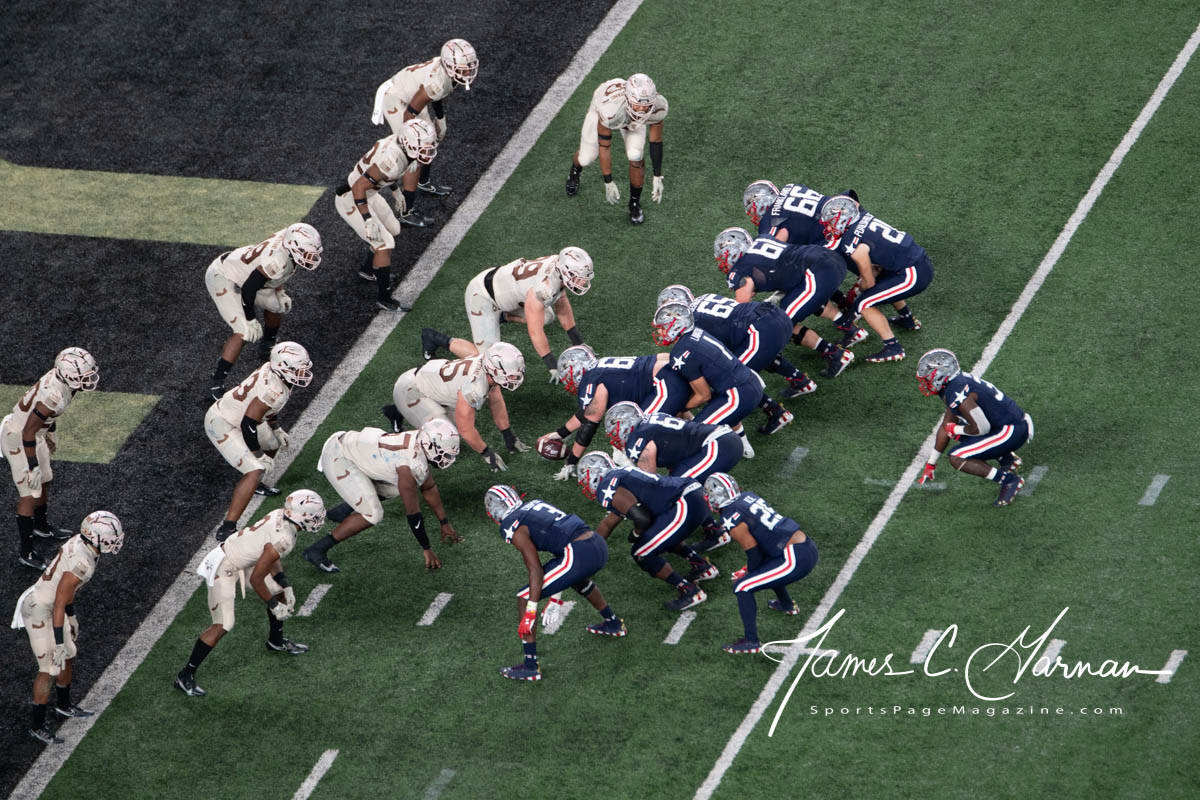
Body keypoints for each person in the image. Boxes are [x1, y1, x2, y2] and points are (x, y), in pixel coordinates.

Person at [175, 491, 326, 698]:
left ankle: (275, 641)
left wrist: (284, 583)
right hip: (225, 565)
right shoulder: (285, 537)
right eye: (315, 515)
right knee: (224, 624)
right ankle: (185, 675)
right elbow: (257, 578)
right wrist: (274, 605)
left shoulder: (281, 515)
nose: (318, 518)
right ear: (301, 516)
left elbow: (270, 553)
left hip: (244, 556)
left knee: (279, 591)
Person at [485, 485, 625, 682]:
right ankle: (613, 623)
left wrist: (531, 609)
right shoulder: (534, 504)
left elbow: (535, 569)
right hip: (596, 543)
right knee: (577, 580)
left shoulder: (513, 525)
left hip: (579, 553)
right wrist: (555, 598)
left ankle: (530, 666)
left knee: (524, 596)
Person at [12, 511, 123, 743]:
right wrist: (59, 641)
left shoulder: (84, 545)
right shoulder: (82, 562)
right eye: (110, 536)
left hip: (52, 604)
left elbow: (65, 595)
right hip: (40, 609)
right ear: (94, 536)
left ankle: (63, 706)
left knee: (69, 654)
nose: (114, 540)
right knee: (49, 668)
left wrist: (71, 618)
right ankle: (37, 725)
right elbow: (60, 601)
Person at [303, 420, 461, 574]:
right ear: (430, 446)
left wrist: (444, 522)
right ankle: (317, 549)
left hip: (357, 452)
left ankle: (342, 510)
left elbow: (429, 487)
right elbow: (413, 514)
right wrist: (427, 549)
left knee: (395, 488)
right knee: (374, 514)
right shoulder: (409, 464)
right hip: (338, 456)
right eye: (446, 452)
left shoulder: (418, 446)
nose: (448, 457)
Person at [419, 247, 594, 381]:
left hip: (503, 287)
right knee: (487, 361)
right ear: (565, 271)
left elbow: (562, 305)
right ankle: (434, 338)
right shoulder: (544, 287)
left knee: (547, 316)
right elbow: (535, 331)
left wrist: (579, 343)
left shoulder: (557, 266)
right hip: (483, 297)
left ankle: (503, 316)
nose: (582, 282)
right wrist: (551, 364)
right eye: (578, 277)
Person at [577, 452, 717, 611]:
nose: (585, 483)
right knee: (653, 535)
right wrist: (590, 551)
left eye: (585, 477)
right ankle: (702, 567)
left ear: (594, 473)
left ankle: (690, 591)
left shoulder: (607, 485)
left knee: (641, 552)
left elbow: (642, 519)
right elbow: (608, 524)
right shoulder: (619, 477)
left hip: (685, 503)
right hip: (692, 497)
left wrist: (636, 533)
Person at [2, 347, 99, 570]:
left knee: (46, 480)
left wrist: (50, 433)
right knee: (29, 494)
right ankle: (26, 552)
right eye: (83, 376)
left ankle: (41, 527)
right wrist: (32, 466)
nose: (88, 379)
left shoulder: (62, 382)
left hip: (34, 434)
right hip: (19, 438)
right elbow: (28, 431)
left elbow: (45, 418)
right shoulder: (53, 396)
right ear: (69, 376)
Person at [203, 223, 322, 403]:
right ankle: (215, 382)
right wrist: (250, 319)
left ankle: (268, 345)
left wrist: (279, 291)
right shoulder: (277, 260)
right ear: (293, 245)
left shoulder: (287, 240)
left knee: (278, 305)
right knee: (244, 331)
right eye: (306, 252)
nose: (311, 256)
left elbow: (275, 275)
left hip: (247, 273)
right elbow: (249, 289)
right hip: (224, 276)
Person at [205, 342, 312, 541]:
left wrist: (276, 427)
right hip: (223, 422)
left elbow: (267, 408)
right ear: (283, 368)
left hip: (242, 415)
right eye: (297, 368)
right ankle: (227, 527)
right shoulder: (274, 388)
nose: (303, 372)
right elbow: (248, 424)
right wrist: (258, 455)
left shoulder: (274, 373)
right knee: (254, 469)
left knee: (273, 443)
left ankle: (256, 483)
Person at [714, 228, 855, 379]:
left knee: (780, 323)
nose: (722, 260)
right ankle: (849, 332)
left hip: (817, 271)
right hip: (827, 258)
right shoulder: (762, 239)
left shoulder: (739, 270)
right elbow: (782, 268)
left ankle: (836, 355)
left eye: (723, 255)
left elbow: (741, 308)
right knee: (790, 306)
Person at [703, 473, 819, 654]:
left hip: (794, 558)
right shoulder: (748, 497)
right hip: (804, 546)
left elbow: (755, 554)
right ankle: (787, 604)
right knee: (767, 567)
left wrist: (747, 573)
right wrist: (750, 570)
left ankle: (751, 641)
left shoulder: (731, 517)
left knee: (742, 587)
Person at [605, 402, 742, 553]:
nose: (614, 436)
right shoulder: (650, 420)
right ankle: (714, 528)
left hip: (718, 446)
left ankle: (731, 526)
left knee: (678, 490)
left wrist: (640, 523)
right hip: (723, 440)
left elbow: (650, 483)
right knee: (677, 482)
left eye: (614, 430)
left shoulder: (638, 439)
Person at [333, 118, 439, 311]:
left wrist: (396, 191)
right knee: (385, 243)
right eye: (422, 148)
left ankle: (368, 270)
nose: (427, 152)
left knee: (394, 229)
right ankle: (384, 298)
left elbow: (384, 175)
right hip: (353, 198)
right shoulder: (392, 161)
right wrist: (368, 220)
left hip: (368, 193)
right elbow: (359, 187)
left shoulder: (399, 146)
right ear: (408, 144)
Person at [540, 345, 690, 481]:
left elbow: (590, 424)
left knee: (640, 434)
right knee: (677, 424)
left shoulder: (591, 380)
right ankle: (695, 439)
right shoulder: (600, 366)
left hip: (665, 384)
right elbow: (588, 412)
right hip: (668, 373)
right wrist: (561, 433)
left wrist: (571, 461)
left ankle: (649, 483)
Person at [383, 342, 529, 472]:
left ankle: (400, 411)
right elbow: (465, 429)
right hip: (412, 390)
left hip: (431, 382)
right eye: (512, 375)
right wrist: (487, 453)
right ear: (495, 370)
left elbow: (496, 401)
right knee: (443, 437)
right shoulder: (475, 386)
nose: (516, 377)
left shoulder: (486, 366)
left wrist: (507, 434)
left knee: (453, 429)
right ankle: (398, 422)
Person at [821, 196, 934, 363]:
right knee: (883, 283)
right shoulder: (862, 216)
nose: (829, 227)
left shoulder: (851, 242)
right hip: (916, 262)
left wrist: (858, 292)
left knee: (864, 303)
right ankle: (908, 320)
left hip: (913, 273)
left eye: (831, 223)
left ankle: (893, 347)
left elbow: (869, 282)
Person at [372, 38, 479, 213]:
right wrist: (410, 148)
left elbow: (435, 95)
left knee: (430, 140)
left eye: (469, 66)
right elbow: (410, 112)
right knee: (414, 152)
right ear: (449, 65)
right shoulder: (436, 82)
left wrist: (440, 119)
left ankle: (423, 182)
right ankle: (406, 211)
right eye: (463, 68)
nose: (468, 71)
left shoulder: (444, 75)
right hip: (396, 98)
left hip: (413, 97)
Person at [669, 288, 807, 424]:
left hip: (759, 329)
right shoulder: (704, 297)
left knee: (734, 377)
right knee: (754, 357)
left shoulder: (694, 321)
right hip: (775, 316)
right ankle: (800, 380)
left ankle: (776, 412)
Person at [916, 349, 1031, 506]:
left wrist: (956, 430)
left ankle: (1009, 481)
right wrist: (931, 463)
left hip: (1012, 430)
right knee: (956, 429)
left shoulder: (956, 390)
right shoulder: (953, 385)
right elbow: (946, 426)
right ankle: (1008, 459)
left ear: (941, 375)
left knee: (957, 457)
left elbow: (982, 428)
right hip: (1008, 425)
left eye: (928, 378)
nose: (925, 382)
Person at [650, 303, 765, 458]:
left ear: (676, 327)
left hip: (738, 395)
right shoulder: (697, 332)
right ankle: (745, 447)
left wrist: (680, 409)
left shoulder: (682, 351)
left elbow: (703, 395)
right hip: (749, 381)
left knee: (692, 434)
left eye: (663, 327)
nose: (659, 331)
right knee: (718, 404)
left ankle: (721, 459)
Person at [565, 74, 668, 225]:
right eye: (638, 105)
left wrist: (657, 176)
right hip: (608, 107)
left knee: (636, 154)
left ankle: (634, 203)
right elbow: (605, 146)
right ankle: (575, 170)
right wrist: (608, 181)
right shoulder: (609, 111)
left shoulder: (658, 106)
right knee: (586, 158)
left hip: (624, 114)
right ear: (628, 100)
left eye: (647, 105)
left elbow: (656, 141)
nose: (642, 110)